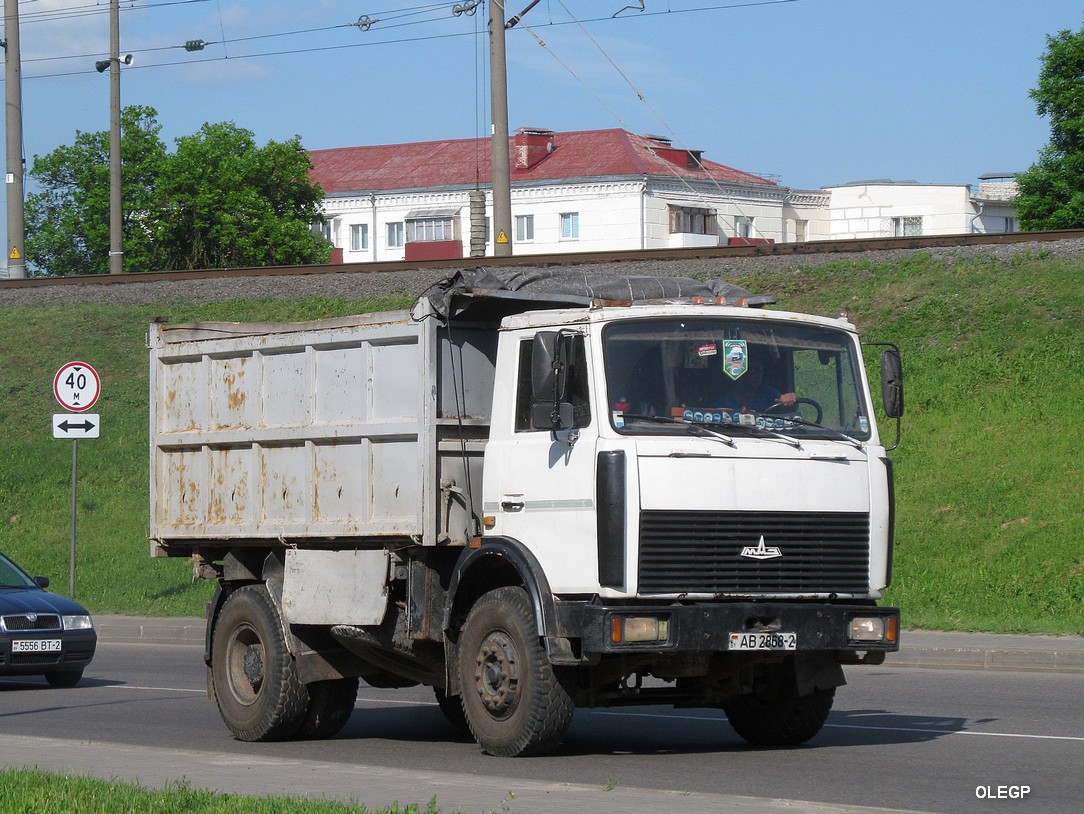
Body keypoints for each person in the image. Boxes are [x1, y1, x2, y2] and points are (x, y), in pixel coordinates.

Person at [720, 365, 797, 412]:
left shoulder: (767, 392)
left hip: (766, 436)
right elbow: (711, 415)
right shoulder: (725, 398)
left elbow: (784, 405)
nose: (758, 375)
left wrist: (789, 400)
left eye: (760, 370)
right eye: (752, 371)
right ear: (739, 373)